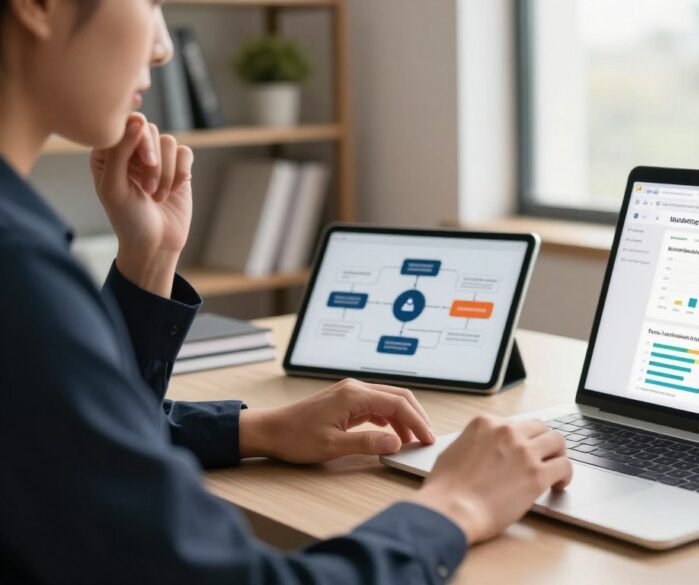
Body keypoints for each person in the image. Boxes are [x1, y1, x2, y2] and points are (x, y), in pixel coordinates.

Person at [0, 1, 573, 583]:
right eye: (148, 2)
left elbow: (64, 438)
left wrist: (257, 426)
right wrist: (457, 505)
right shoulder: (18, 273)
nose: (163, 46)